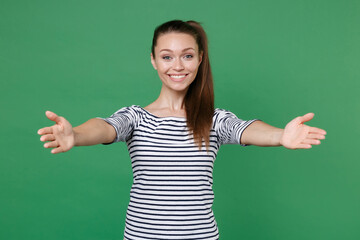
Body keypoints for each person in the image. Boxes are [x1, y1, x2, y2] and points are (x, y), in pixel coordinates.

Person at [38, 20, 326, 240]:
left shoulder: (213, 120)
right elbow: (104, 128)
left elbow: (245, 129)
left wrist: (280, 136)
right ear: (153, 60)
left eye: (187, 56)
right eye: (167, 57)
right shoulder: (135, 117)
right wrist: (75, 135)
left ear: (200, 60)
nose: (177, 65)